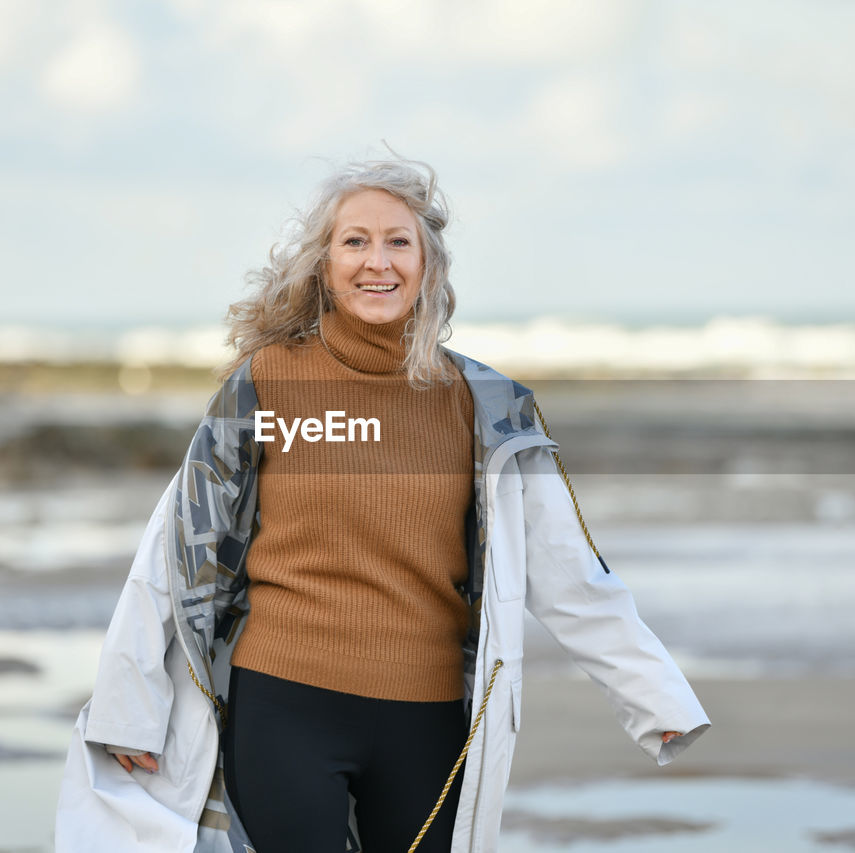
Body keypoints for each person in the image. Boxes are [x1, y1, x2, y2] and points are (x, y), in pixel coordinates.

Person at [56, 156, 711, 853]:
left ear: (429, 263)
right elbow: (173, 550)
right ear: (323, 264)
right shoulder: (268, 383)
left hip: (425, 722)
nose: (379, 261)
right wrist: (128, 707)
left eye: (399, 241)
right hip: (283, 705)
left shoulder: (485, 408)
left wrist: (655, 697)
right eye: (355, 241)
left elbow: (569, 567)